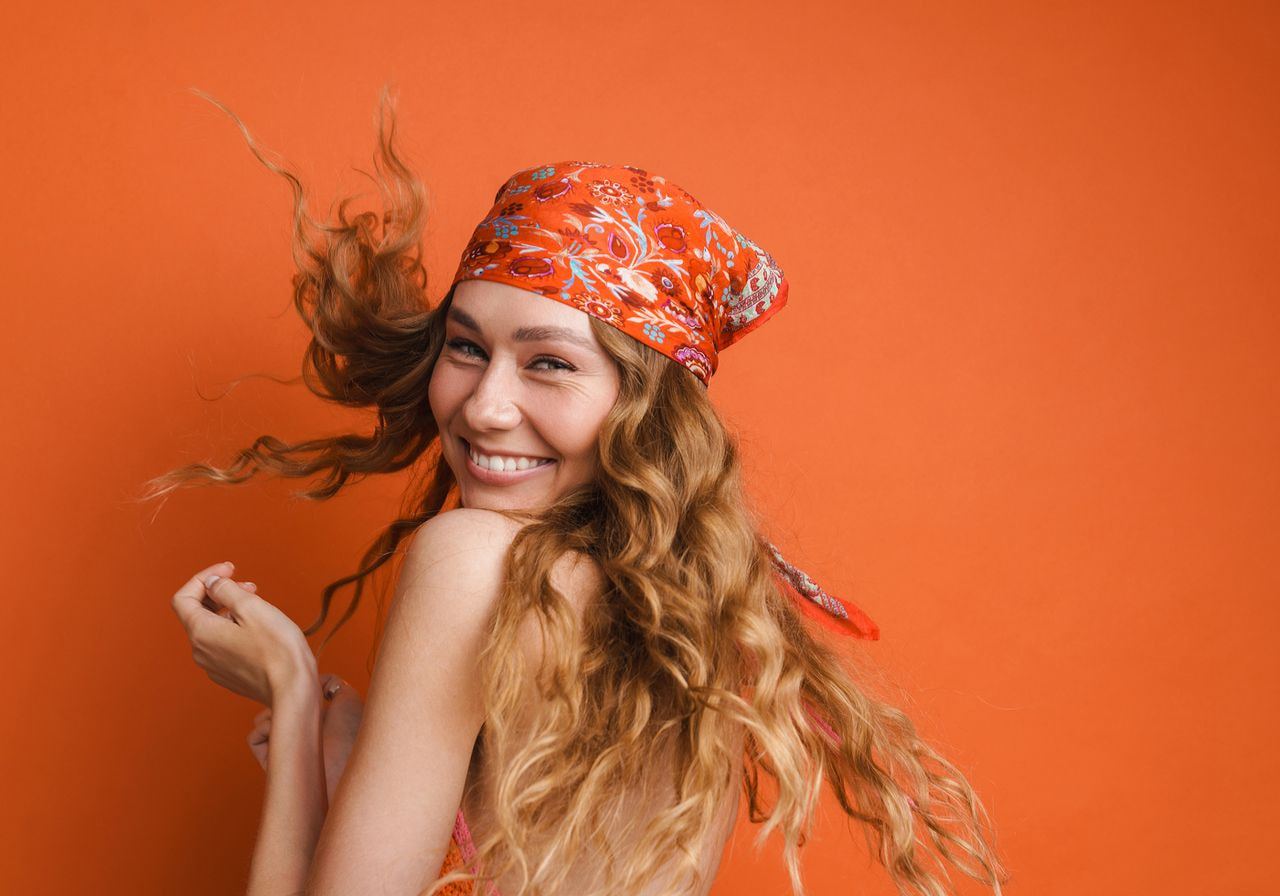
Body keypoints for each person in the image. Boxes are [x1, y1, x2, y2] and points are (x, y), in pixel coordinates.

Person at [149, 90, 1008, 896]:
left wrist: (295, 698)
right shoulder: (700, 612)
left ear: (643, 406)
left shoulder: (474, 563)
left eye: (550, 363)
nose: (484, 407)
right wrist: (355, 763)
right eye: (466, 348)